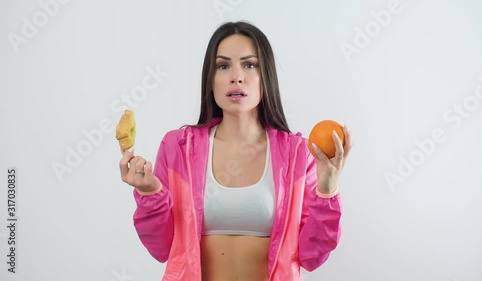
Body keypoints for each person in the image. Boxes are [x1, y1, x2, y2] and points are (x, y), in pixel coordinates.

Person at [119, 21, 353, 281]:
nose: (236, 76)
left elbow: (312, 255)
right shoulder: (178, 148)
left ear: (266, 78)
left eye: (249, 64)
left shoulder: (298, 154)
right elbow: (161, 248)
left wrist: (327, 190)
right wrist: (150, 192)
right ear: (210, 79)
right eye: (223, 65)